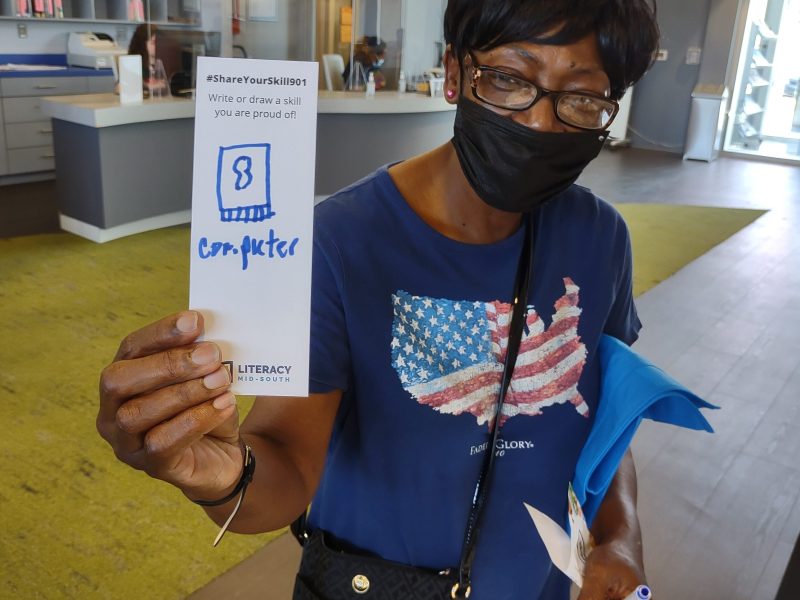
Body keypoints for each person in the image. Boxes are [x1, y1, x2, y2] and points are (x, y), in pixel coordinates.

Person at [97, 1, 659, 598]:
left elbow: (604, 424)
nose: (541, 123)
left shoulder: (601, 239)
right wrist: (216, 474)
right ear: (453, 72)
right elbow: (281, 471)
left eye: (580, 98)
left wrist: (622, 534)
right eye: (509, 78)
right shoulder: (340, 243)